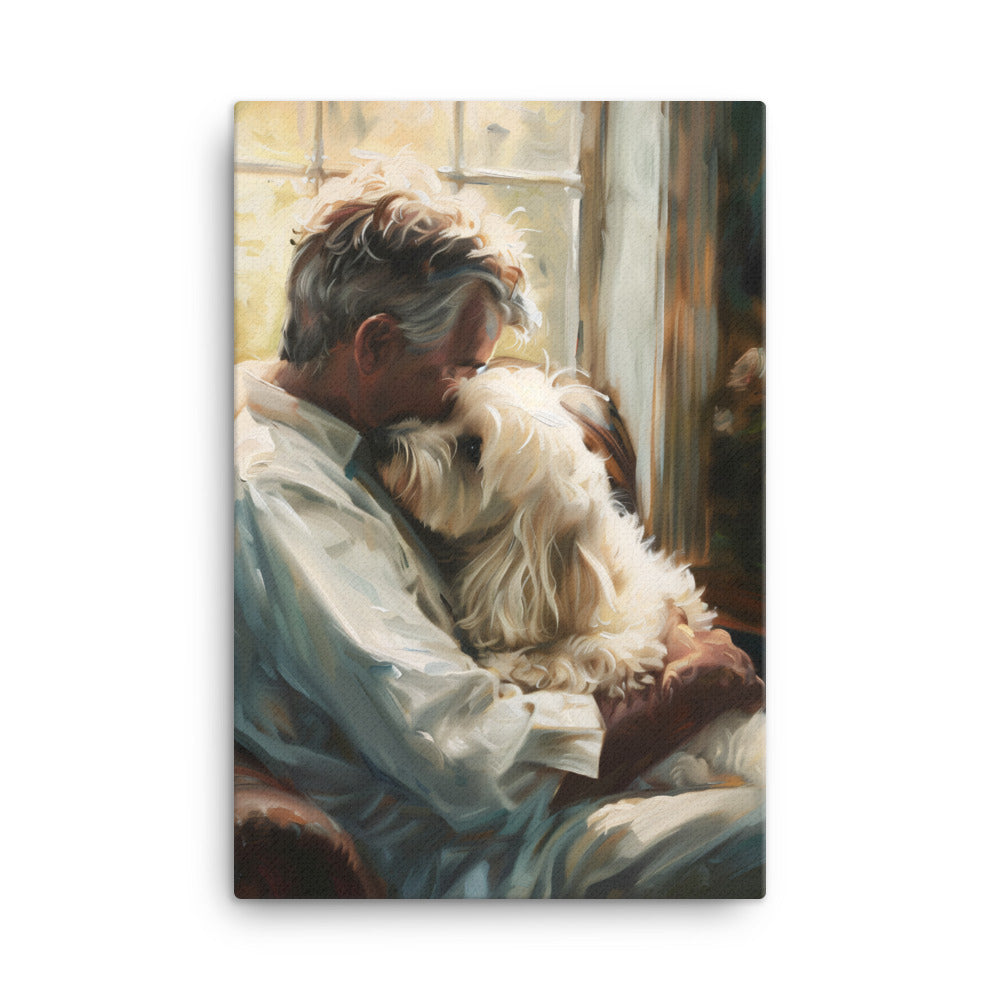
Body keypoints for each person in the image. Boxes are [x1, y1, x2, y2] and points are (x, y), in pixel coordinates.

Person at [234, 155, 765, 898]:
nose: (468, 391)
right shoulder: (283, 500)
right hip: (475, 854)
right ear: (375, 344)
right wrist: (682, 695)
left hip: (545, 798)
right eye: (460, 366)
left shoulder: (350, 430)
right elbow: (470, 762)